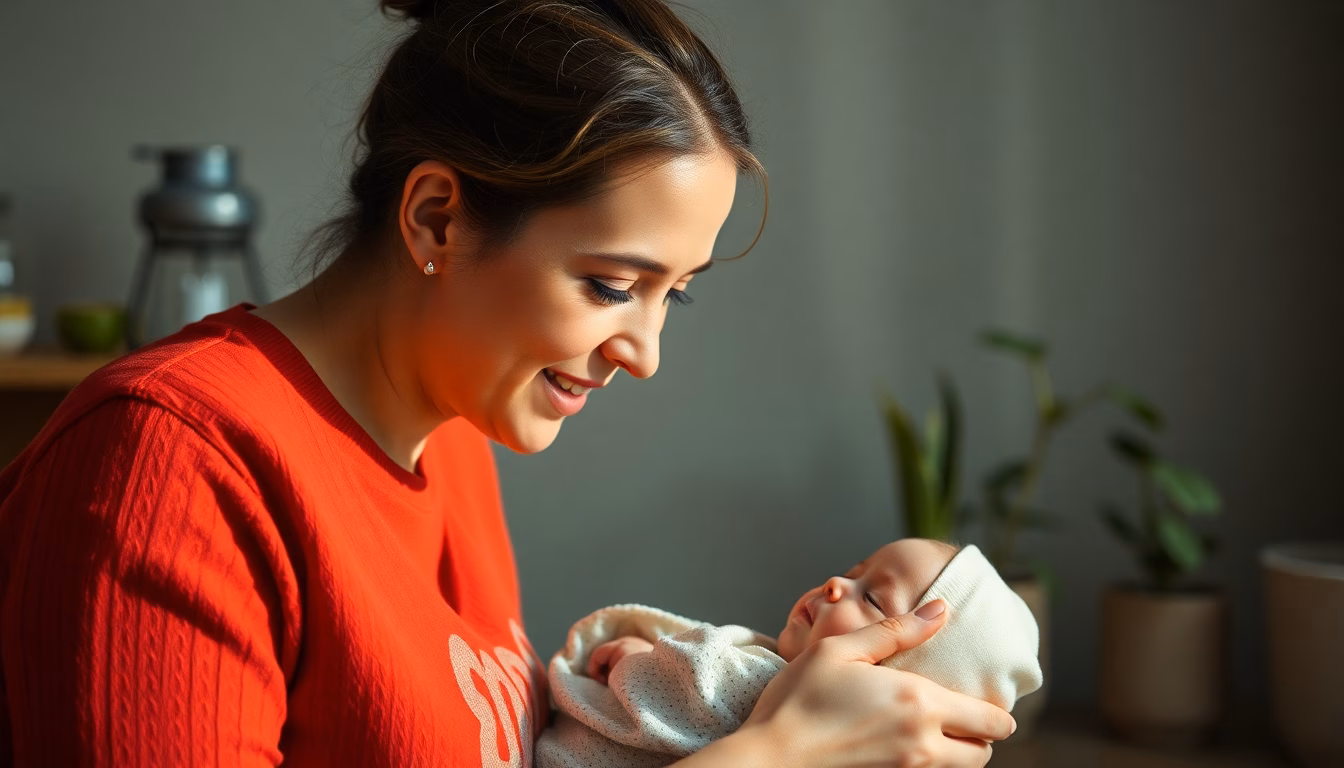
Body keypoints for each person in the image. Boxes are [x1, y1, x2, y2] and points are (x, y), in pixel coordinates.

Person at [0, 0, 1016, 765]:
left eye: (675, 294)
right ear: (436, 218)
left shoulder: (455, 438)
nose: (644, 352)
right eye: (612, 285)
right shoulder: (168, 463)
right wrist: (773, 756)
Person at [536, 540, 1041, 767]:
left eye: (873, 599)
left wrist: (633, 655)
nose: (836, 582)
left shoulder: (758, 683)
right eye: (855, 571)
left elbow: (682, 679)